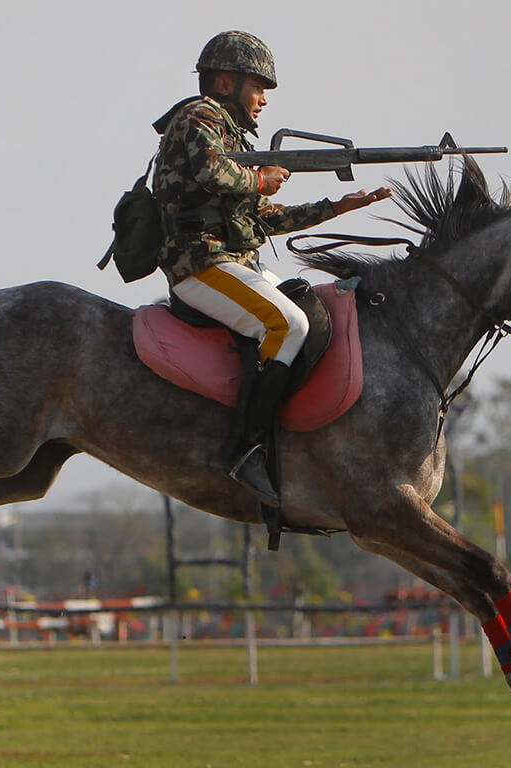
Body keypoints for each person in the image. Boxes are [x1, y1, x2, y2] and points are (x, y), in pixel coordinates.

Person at [152, 31, 391, 506]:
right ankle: (246, 449)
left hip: (234, 262)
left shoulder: (230, 133)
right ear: (224, 81)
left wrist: (336, 207)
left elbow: (264, 216)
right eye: (258, 87)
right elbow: (212, 173)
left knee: (310, 308)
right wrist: (262, 177)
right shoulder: (198, 118)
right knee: (287, 323)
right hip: (200, 265)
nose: (263, 100)